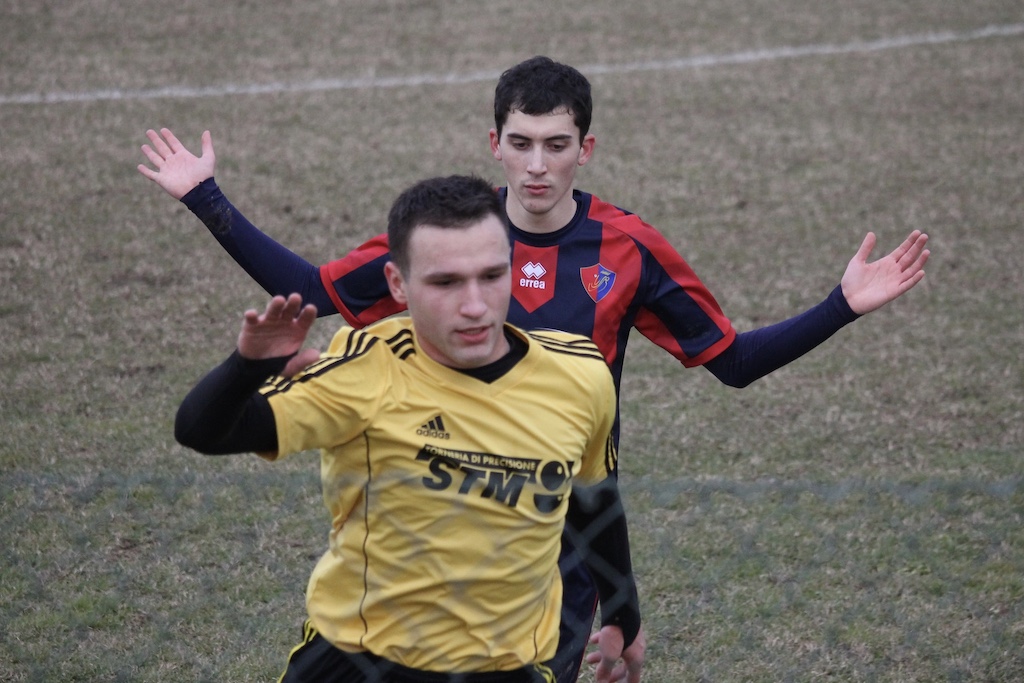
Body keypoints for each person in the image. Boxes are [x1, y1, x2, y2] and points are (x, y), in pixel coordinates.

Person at [138, 56, 928, 681]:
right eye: (520, 143)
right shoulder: (450, 232)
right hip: (422, 533)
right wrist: (207, 199)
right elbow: (315, 295)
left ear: (585, 148)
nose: (538, 166)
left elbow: (730, 361)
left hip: (552, 531)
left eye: (557, 145)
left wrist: (841, 305)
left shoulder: (628, 250)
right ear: (495, 145)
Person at [173, 174, 643, 683]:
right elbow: (203, 431)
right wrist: (246, 366)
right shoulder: (365, 369)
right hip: (361, 661)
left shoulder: (579, 374)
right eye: (445, 282)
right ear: (398, 284)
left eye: (491, 276)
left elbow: (593, 498)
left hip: (506, 669)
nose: (475, 305)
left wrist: (622, 615)